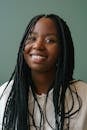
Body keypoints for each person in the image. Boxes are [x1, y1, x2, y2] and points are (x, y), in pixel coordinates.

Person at [0, 14, 87, 130]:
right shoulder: (5, 95)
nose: (38, 45)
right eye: (32, 38)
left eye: (50, 40)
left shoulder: (83, 94)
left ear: (63, 49)